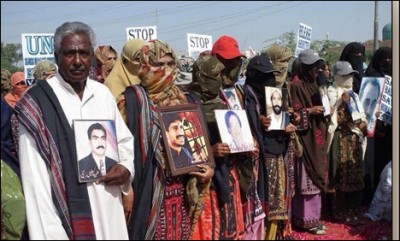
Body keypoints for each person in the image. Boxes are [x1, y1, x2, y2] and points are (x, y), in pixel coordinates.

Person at [15, 21, 134, 240]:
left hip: (109, 204)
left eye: (84, 53)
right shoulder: (37, 105)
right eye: (70, 53)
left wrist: (126, 167)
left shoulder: (102, 94)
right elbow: (36, 185)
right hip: (65, 216)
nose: (78, 61)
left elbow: (125, 141)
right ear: (56, 55)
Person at [123, 39, 213, 240]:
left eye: (170, 64)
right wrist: (126, 189)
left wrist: (205, 168)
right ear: (144, 65)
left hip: (181, 193)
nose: (165, 70)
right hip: (149, 193)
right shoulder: (131, 101)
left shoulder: (185, 100)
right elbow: (121, 150)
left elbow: (196, 146)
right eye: (157, 64)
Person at [245, 53, 297, 239]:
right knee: (266, 194)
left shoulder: (275, 92)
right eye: (263, 75)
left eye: (270, 74)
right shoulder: (247, 94)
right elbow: (246, 120)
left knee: (279, 192)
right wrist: (258, 120)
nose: (268, 79)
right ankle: (268, 234)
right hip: (263, 151)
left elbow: (280, 119)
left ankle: (278, 233)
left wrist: (288, 123)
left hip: (278, 148)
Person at [289, 49, 329, 235]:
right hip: (306, 140)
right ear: (304, 68)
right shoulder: (296, 86)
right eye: (313, 67)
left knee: (317, 176)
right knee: (306, 179)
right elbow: (294, 115)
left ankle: (314, 218)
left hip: (318, 137)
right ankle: (305, 220)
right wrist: (309, 112)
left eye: (318, 66)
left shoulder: (316, 85)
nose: (317, 70)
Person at [327, 61, 368, 226]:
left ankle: (353, 208)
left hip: (353, 139)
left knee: (355, 173)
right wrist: (342, 103)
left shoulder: (354, 94)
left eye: (350, 75)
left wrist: (363, 123)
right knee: (339, 173)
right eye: (345, 76)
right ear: (337, 77)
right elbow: (332, 120)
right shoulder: (332, 93)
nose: (349, 78)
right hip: (339, 139)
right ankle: (338, 210)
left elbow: (360, 115)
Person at [104, 39, 146, 122]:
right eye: (138, 59)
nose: (142, 63)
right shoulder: (111, 85)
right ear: (125, 60)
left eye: (145, 58)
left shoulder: (147, 80)